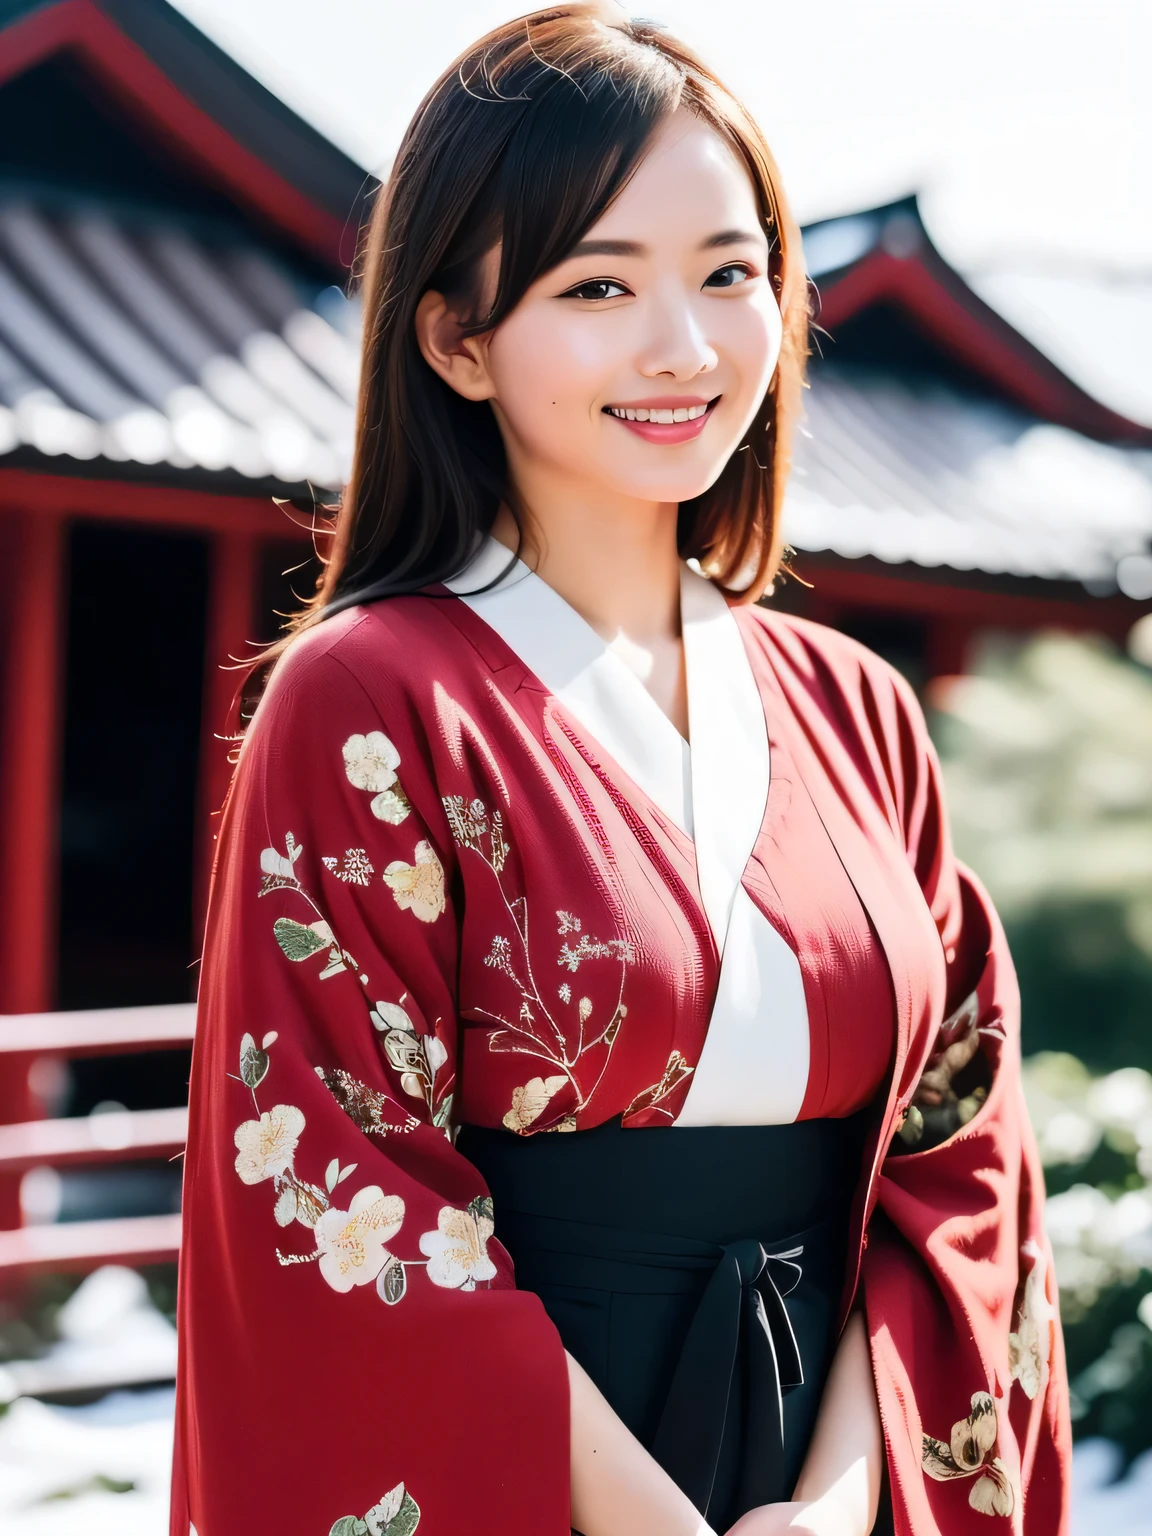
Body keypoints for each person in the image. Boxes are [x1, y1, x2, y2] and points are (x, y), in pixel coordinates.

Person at [171, 7, 1071, 1534]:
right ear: (456, 337)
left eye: (732, 274)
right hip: (535, 1484)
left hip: (825, 1474)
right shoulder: (373, 698)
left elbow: (954, 1164)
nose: (687, 346)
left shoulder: (854, 707)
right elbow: (343, 1192)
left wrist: (843, 1502)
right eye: (600, 284)